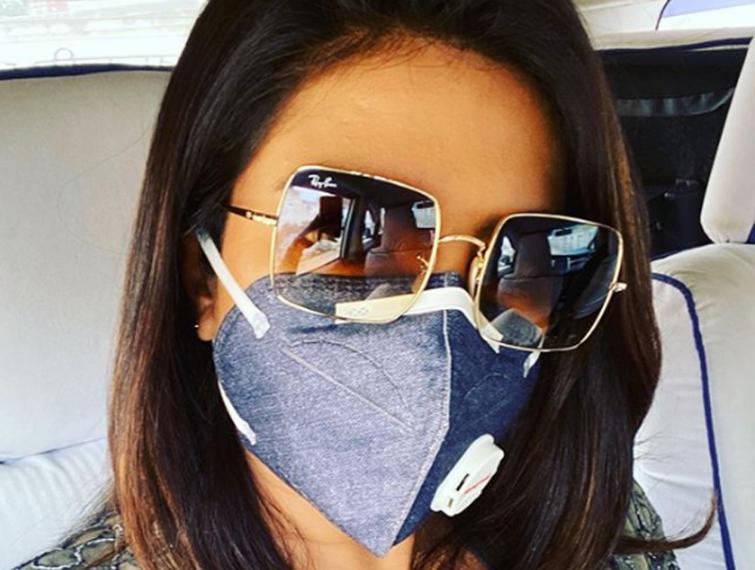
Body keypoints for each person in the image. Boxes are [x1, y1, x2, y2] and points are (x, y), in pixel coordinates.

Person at [13, 0, 712, 568]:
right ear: (201, 278)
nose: (441, 341)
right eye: (350, 237)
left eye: (524, 261)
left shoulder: (600, 529)